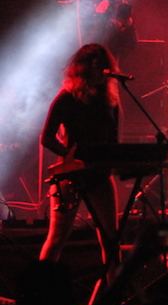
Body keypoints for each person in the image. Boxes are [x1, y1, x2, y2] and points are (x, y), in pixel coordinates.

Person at [39, 44, 121, 285]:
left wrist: (112, 163)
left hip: (99, 175)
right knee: (57, 237)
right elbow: (46, 137)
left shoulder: (109, 102)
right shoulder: (67, 98)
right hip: (69, 175)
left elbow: (113, 142)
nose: (102, 72)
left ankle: (114, 295)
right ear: (85, 70)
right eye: (96, 67)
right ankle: (39, 290)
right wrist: (68, 155)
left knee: (110, 240)